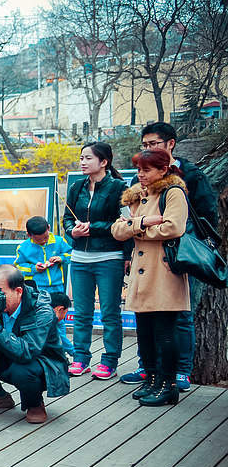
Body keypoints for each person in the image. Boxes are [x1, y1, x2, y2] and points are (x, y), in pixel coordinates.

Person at [119, 122, 217, 391]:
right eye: (145, 145)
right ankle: (149, 371)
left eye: (154, 144)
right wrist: (139, 230)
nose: (148, 148)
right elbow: (123, 224)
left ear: (170, 144)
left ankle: (180, 372)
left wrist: (142, 230)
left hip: (179, 256)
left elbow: (202, 216)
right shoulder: (138, 184)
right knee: (146, 321)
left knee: (179, 316)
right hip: (144, 261)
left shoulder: (188, 176)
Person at [111, 146, 190, 406]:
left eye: (147, 170)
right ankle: (153, 379)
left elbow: (173, 227)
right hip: (141, 273)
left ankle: (168, 385)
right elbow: (117, 230)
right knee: (144, 331)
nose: (141, 175)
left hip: (164, 270)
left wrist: (136, 229)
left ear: (163, 169)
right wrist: (144, 223)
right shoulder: (137, 195)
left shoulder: (174, 192)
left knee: (165, 331)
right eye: (138, 170)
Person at [0, 264, 71, 424]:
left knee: (21, 368)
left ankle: (35, 404)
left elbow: (26, 352)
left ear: (18, 291)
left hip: (43, 366)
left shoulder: (42, 310)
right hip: (8, 354)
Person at [64, 141, 128, 381]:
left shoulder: (119, 188)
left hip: (109, 257)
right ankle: (80, 358)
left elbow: (125, 224)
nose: (82, 162)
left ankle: (110, 361)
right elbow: (66, 221)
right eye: (81, 158)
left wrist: (94, 228)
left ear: (104, 162)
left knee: (110, 312)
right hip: (79, 258)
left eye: (88, 158)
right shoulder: (76, 187)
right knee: (82, 312)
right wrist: (73, 231)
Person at [15, 215, 73, 360]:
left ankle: (70, 353)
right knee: (40, 323)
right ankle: (57, 353)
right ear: (29, 235)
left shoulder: (59, 241)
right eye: (39, 240)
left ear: (49, 228)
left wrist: (61, 258)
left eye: (45, 238)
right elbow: (18, 267)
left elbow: (71, 254)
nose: (44, 241)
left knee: (58, 322)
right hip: (37, 290)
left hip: (57, 288)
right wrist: (34, 268)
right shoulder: (23, 247)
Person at [50, 292, 76, 359]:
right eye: (66, 312)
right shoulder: (48, 319)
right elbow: (61, 338)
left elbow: (62, 333)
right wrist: (75, 353)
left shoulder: (58, 320)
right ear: (60, 309)